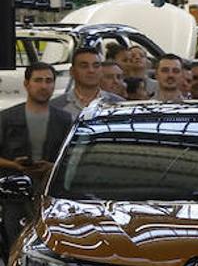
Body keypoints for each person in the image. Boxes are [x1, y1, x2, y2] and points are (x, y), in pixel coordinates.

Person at [0, 63, 74, 253]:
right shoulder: (6, 118)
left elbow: (71, 158)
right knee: (13, 246)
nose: (44, 86)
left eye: (49, 81)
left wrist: (51, 167)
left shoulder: (64, 119)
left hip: (51, 195)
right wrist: (16, 166)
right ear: (26, 84)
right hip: (14, 194)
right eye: (38, 80)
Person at [49, 47, 123, 117]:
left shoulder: (118, 104)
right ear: (72, 71)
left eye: (96, 66)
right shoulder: (55, 106)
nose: (91, 70)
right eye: (84, 66)